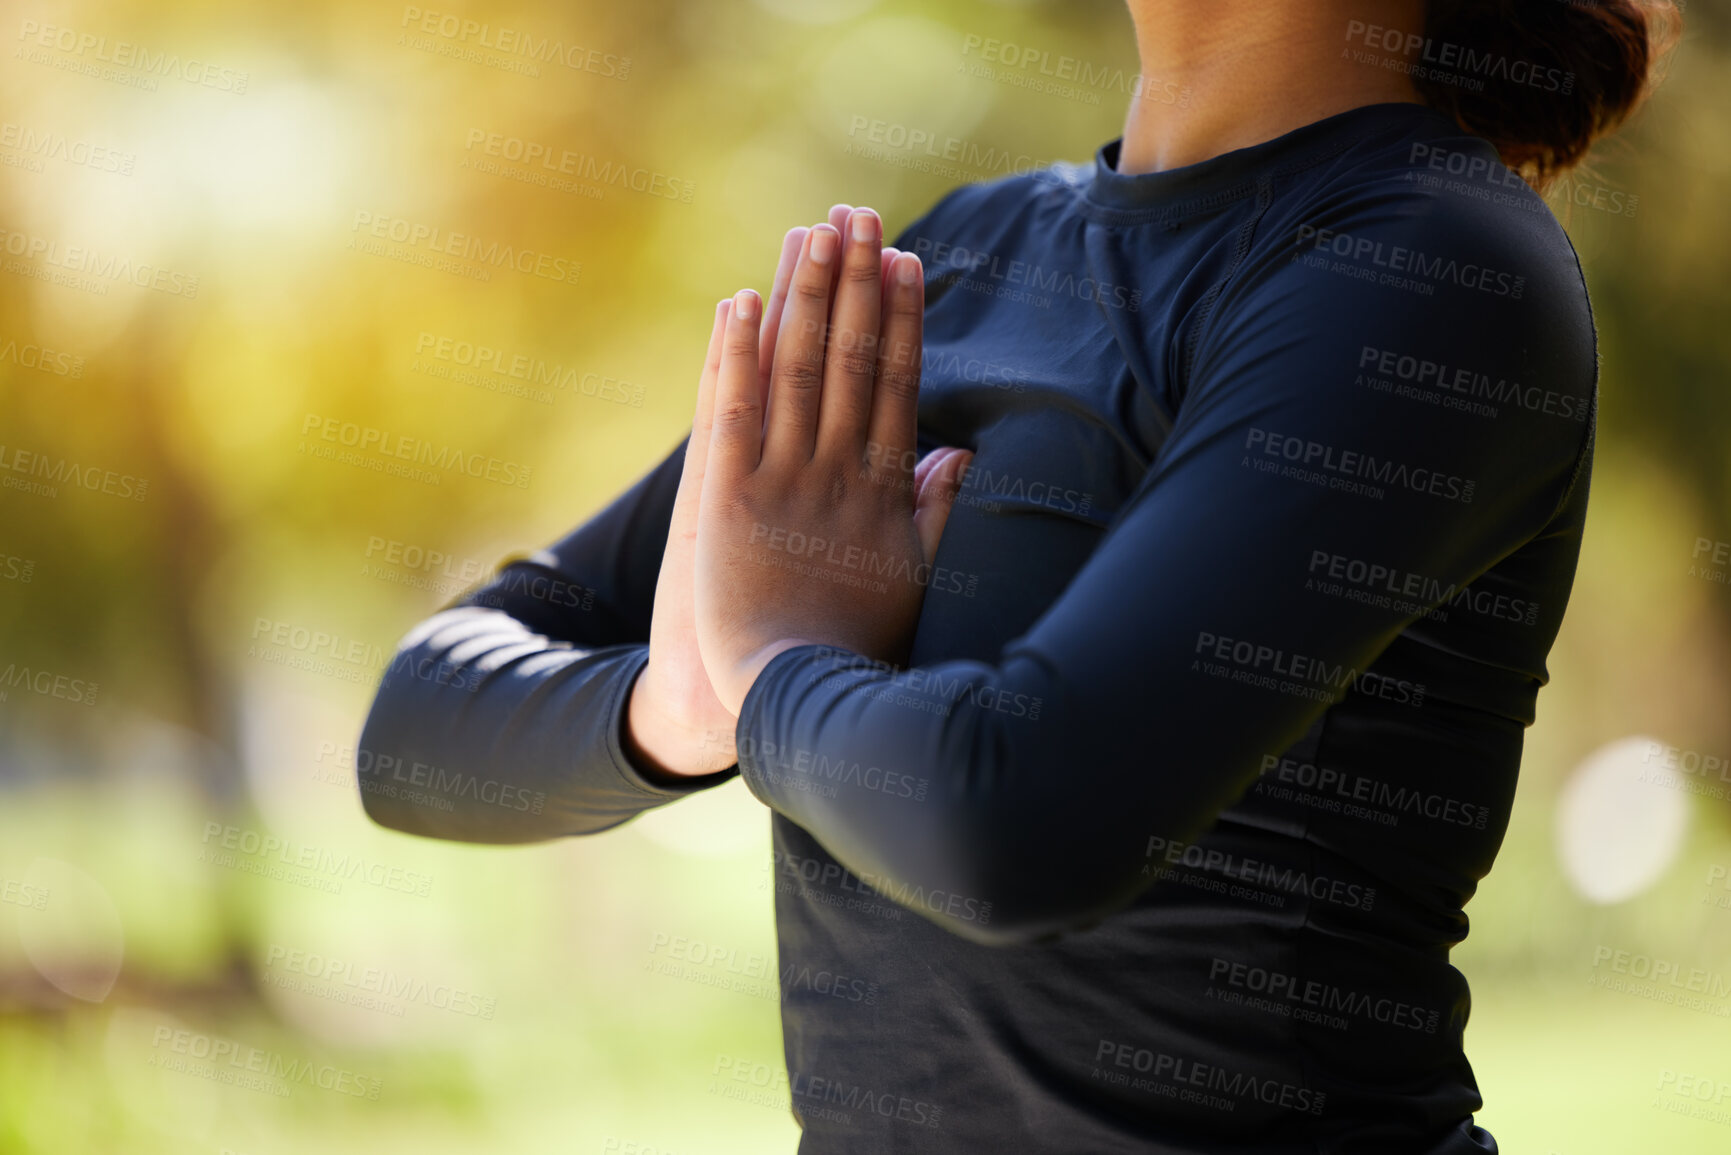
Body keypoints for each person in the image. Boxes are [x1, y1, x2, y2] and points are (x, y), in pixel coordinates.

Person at [357, 1, 1678, 1150]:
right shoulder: (966, 255)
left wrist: (768, 661)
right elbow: (419, 730)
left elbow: (1021, 820)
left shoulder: (1432, 267)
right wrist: (692, 705)